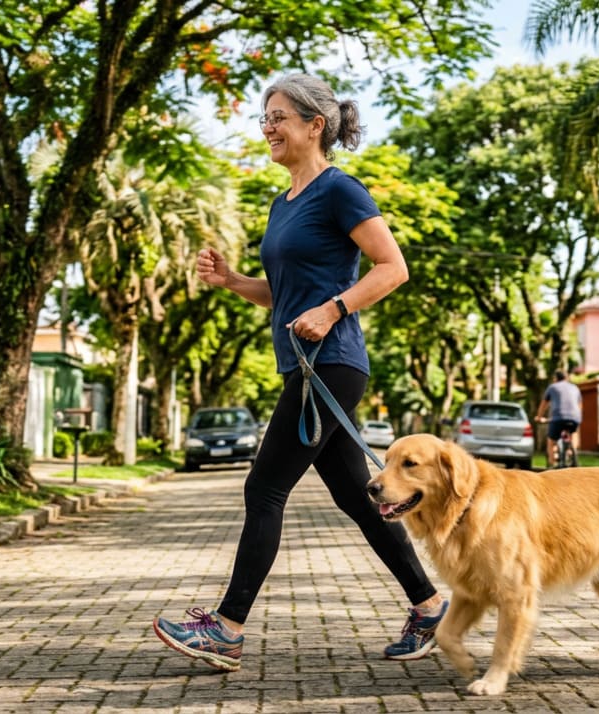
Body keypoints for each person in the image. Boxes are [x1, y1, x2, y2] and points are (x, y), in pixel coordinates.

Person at [152, 74, 447, 673]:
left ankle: (227, 629)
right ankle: (430, 602)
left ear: (316, 125)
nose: (268, 126)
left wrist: (335, 307)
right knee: (358, 498)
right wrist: (234, 281)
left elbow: (393, 268)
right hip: (306, 365)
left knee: (264, 488)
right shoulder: (282, 203)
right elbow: (283, 295)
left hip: (331, 364)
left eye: (280, 116)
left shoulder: (340, 190)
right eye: (265, 116)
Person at [537, 369, 583, 468]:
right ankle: (572, 450)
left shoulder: (552, 387)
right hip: (575, 417)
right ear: (566, 378)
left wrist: (539, 417)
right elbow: (579, 405)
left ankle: (551, 464)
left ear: (555, 378)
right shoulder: (575, 387)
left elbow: (544, 404)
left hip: (558, 418)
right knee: (574, 433)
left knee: (551, 441)